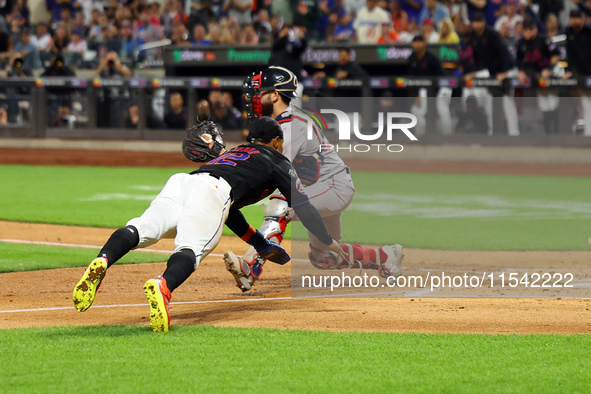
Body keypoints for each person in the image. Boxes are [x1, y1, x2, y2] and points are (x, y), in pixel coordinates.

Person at [73, 118, 347, 332]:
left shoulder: (235, 153)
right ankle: (163, 285)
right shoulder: (277, 160)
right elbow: (304, 206)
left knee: (142, 229)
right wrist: (327, 240)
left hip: (183, 181)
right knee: (191, 249)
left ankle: (103, 259)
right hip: (213, 191)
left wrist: (260, 244)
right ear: (275, 140)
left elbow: (227, 211)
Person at [224, 66, 403, 292]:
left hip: (333, 186)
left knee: (280, 205)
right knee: (324, 257)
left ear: (275, 95)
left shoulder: (290, 126)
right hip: (319, 188)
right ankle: (386, 256)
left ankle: (250, 266)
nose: (255, 99)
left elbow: (265, 169)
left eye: (260, 93)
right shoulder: (279, 124)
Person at [469, 11, 520, 136]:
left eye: (479, 22)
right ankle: (492, 132)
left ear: (483, 22)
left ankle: (514, 133)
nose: (476, 25)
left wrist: (504, 73)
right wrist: (475, 72)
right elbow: (477, 57)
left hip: (506, 69)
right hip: (492, 73)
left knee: (507, 101)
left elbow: (504, 54)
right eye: (474, 22)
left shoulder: (492, 34)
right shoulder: (473, 36)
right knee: (490, 103)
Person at [516, 18, 561, 134]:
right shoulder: (521, 43)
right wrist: (520, 71)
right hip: (535, 76)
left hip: (549, 74)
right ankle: (548, 134)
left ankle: (557, 132)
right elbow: (518, 60)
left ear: (535, 29)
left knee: (553, 104)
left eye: (529, 29)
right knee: (544, 105)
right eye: (525, 29)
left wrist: (549, 69)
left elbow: (557, 55)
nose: (527, 32)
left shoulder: (543, 39)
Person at [407, 34, 453, 135]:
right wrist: (416, 95)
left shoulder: (431, 58)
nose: (417, 44)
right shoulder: (412, 59)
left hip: (443, 86)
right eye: (415, 42)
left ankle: (448, 137)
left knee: (442, 109)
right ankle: (421, 137)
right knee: (416, 110)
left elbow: (440, 77)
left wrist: (433, 96)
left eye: (420, 42)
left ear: (425, 43)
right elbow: (412, 80)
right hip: (426, 89)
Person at [564, 9, 591, 136]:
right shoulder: (569, 32)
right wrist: (568, 70)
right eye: (573, 18)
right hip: (581, 74)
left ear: (583, 18)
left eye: (578, 18)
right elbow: (570, 55)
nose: (576, 21)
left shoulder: (588, 32)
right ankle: (588, 134)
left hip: (589, 71)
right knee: (586, 103)